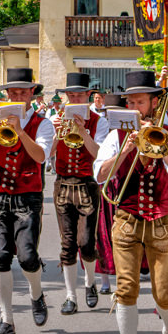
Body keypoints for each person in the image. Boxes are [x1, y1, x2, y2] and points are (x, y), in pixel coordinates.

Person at [92, 69, 168, 334]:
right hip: (126, 219)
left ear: (153, 103)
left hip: (162, 220)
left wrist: (159, 143)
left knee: (164, 293)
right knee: (125, 289)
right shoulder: (115, 135)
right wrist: (126, 150)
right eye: (130, 102)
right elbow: (99, 175)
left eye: (140, 102)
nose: (134, 107)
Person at [0, 68, 52, 334]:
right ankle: (6, 319)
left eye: (22, 92)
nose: (17, 96)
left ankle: (36, 294)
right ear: (7, 95)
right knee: (1, 258)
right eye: (12, 93)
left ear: (31, 94)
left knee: (28, 257)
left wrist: (19, 130)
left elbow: (41, 157)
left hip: (28, 196)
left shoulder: (43, 123)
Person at [49, 72, 102, 314]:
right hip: (62, 184)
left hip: (86, 184)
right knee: (68, 243)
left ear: (88, 95)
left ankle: (90, 283)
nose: (75, 99)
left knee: (87, 242)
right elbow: (48, 154)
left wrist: (83, 131)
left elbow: (98, 154)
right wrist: (55, 133)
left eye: (79, 95)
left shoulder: (99, 121)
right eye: (71, 95)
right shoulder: (57, 118)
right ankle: (70, 296)